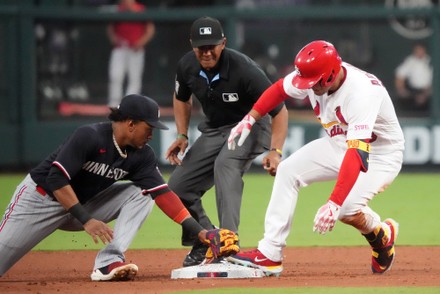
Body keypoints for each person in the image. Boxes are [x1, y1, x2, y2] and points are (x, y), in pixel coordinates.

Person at [0, 94, 236, 281]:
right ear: (131, 124)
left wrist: (201, 232)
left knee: (141, 193)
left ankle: (108, 262)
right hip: (40, 201)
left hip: (83, 206)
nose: (152, 134)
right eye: (149, 127)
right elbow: (56, 180)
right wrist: (87, 220)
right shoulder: (90, 136)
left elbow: (163, 194)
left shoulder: (143, 155)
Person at [227, 40, 405, 276]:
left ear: (331, 74)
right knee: (288, 170)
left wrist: (333, 202)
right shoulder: (314, 74)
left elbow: (356, 153)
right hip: (340, 143)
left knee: (346, 209)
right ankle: (270, 254)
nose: (307, 87)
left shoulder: (361, 93)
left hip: (380, 154)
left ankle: (380, 236)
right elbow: (279, 89)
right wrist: (250, 118)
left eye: (312, 83)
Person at [165, 16, 288, 267]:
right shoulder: (187, 66)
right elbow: (180, 97)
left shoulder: (244, 69)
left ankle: (228, 245)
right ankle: (206, 238)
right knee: (177, 187)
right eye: (201, 46)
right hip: (215, 128)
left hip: (253, 125)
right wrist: (182, 134)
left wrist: (275, 150)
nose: (207, 51)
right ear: (192, 44)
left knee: (226, 164)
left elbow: (279, 110)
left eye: (212, 45)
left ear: (224, 43)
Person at [107, 0, 155, 107]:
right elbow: (110, 28)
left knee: (134, 78)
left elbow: (150, 30)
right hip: (120, 48)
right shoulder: (118, 10)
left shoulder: (141, 10)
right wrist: (114, 39)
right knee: (115, 75)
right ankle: (114, 105)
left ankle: (130, 106)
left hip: (135, 49)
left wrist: (141, 42)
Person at [394, 43, 432, 112]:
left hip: (429, 93)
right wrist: (401, 89)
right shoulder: (410, 61)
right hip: (413, 93)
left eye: (421, 50)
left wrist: (427, 93)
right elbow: (400, 75)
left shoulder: (430, 61)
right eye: (417, 50)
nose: (419, 52)